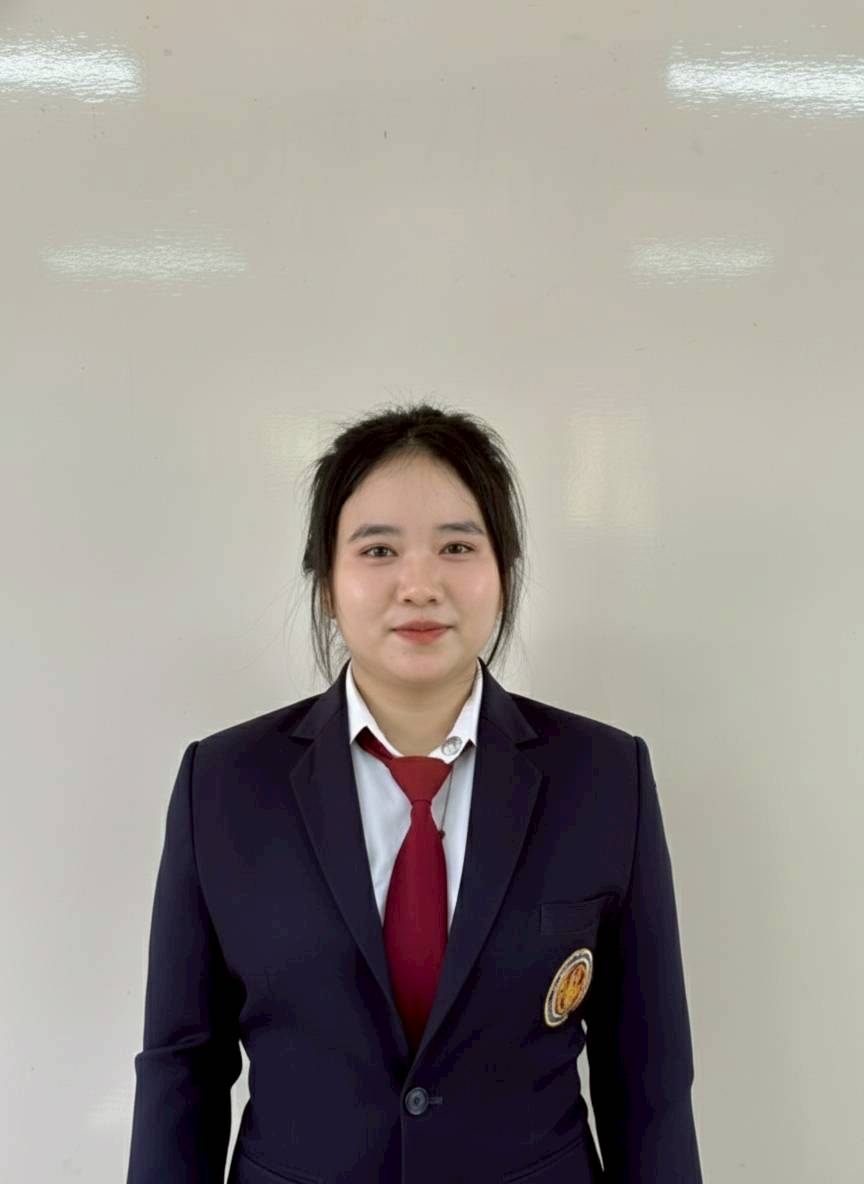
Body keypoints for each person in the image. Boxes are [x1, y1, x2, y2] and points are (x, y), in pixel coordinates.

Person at [126, 402, 703, 1184]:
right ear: (327, 583)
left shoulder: (604, 778)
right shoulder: (224, 784)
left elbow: (649, 1082)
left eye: (457, 546)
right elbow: (182, 1069)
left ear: (504, 573)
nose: (420, 584)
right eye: (378, 549)